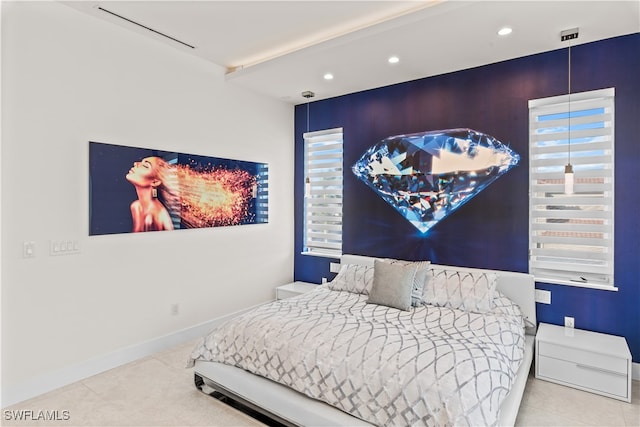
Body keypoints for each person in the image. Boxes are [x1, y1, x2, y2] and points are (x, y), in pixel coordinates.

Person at [125, 156, 176, 232]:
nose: (135, 164)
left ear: (155, 182)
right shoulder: (136, 206)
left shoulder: (159, 216)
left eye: (145, 166)